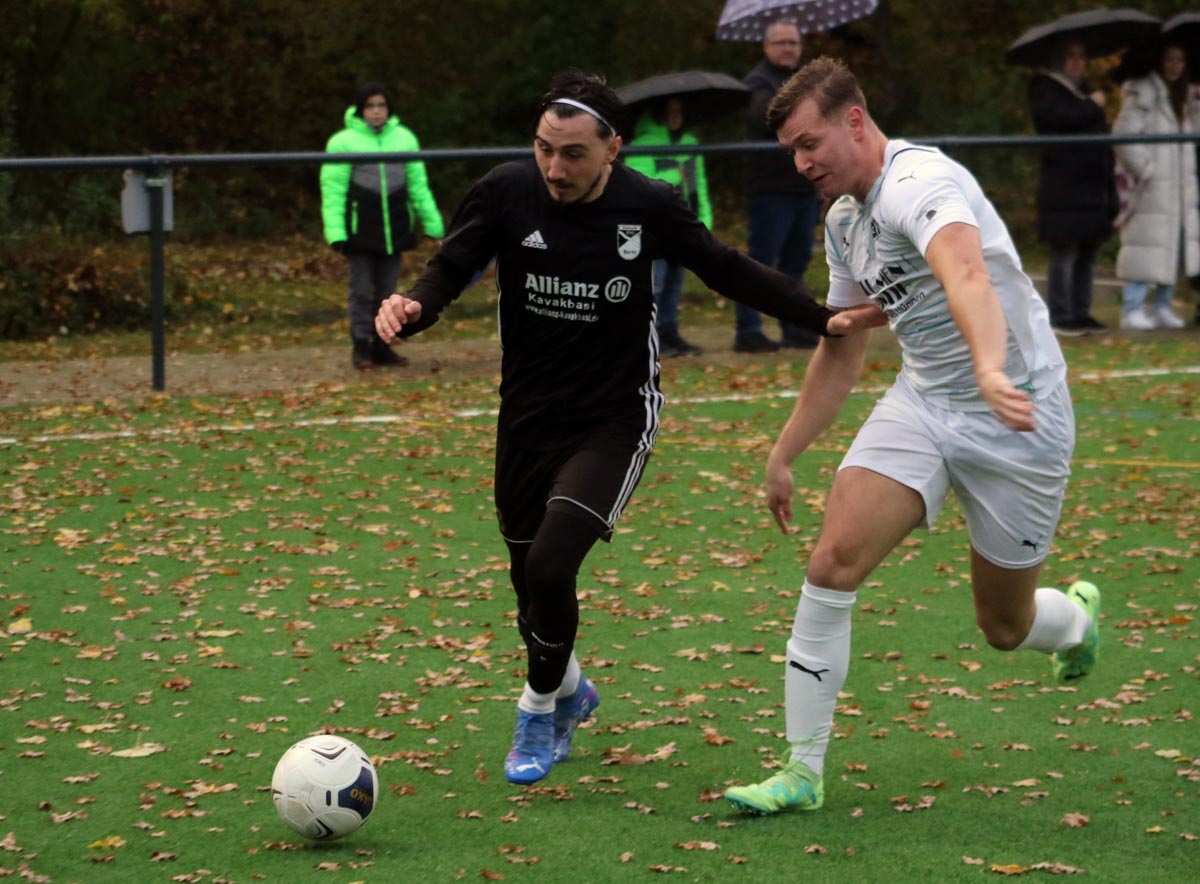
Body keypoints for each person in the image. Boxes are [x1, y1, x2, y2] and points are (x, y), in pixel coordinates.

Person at [375, 69, 884, 788]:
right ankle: (572, 687)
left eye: (574, 153)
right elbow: (450, 267)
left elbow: (726, 268)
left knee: (552, 565)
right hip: (525, 418)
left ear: (613, 148)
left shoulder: (648, 206)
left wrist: (819, 315)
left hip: (614, 419)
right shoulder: (505, 192)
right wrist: (413, 310)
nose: (555, 167)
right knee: (531, 585)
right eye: (546, 148)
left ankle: (537, 707)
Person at [721, 58, 1101, 817]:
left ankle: (1079, 620)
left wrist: (992, 368)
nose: (802, 165)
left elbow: (967, 276)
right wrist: (785, 451)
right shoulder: (843, 220)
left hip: (1016, 417)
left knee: (1004, 626)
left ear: (855, 122)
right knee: (832, 562)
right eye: (791, 152)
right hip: (924, 405)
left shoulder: (917, 184)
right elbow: (843, 344)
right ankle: (802, 770)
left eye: (810, 144)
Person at [321, 81, 444, 369]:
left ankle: (382, 344)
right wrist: (336, 232)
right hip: (360, 230)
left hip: (396, 230)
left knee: (389, 293)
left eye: (381, 106)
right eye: (370, 106)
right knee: (361, 291)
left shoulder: (404, 139)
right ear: (360, 109)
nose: (376, 112)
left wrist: (434, 225)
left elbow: (418, 186)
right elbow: (333, 191)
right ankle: (361, 346)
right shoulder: (342, 142)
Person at [735, 19, 822, 354]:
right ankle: (748, 329)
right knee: (760, 261)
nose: (789, 48)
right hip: (770, 188)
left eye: (794, 42)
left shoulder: (806, 81)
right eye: (782, 42)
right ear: (766, 46)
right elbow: (763, 118)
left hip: (804, 186)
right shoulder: (757, 83)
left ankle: (794, 326)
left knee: (796, 263)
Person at [1028, 38, 1116, 336]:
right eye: (1071, 56)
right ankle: (1062, 313)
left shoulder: (1084, 90)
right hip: (1064, 186)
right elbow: (1061, 119)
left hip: (1092, 186)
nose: (1078, 63)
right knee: (1065, 252)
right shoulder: (1046, 89)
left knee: (1088, 250)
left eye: (1082, 56)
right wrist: (1092, 105)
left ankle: (1081, 311)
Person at [1112, 44, 1199, 331]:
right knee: (1144, 243)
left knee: (1173, 244)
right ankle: (1132, 308)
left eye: (1180, 60)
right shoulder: (1143, 92)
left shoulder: (1183, 95)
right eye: (1170, 59)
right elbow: (1124, 134)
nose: (1175, 66)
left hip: (1180, 185)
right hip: (1153, 184)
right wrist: (1146, 169)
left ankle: (1162, 305)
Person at [625, 97, 711, 357]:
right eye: (670, 111)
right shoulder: (641, 144)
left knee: (674, 285)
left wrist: (704, 222)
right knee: (655, 285)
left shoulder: (690, 144)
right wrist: (676, 175)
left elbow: (698, 186)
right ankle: (648, 336)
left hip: (682, 225)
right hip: (653, 228)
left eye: (680, 110)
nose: (676, 116)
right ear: (659, 113)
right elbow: (642, 184)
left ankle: (669, 332)